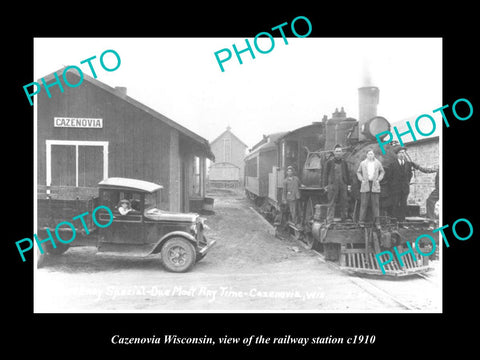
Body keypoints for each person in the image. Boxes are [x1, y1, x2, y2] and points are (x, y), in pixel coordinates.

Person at [356, 149, 385, 227]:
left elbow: (382, 171)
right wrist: (361, 179)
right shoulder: (362, 163)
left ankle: (377, 223)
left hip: (375, 184)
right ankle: (361, 222)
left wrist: (379, 179)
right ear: (366, 155)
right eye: (369, 154)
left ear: (374, 155)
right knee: (363, 204)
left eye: (371, 154)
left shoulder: (378, 163)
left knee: (375, 204)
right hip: (365, 184)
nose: (370, 155)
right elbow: (358, 172)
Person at [323, 144, 350, 222]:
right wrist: (325, 185)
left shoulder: (344, 162)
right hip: (332, 184)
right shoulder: (329, 162)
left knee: (344, 201)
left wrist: (348, 185)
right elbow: (325, 174)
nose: (338, 153)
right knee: (331, 202)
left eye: (340, 151)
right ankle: (329, 219)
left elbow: (347, 174)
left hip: (343, 184)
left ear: (342, 152)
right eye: (337, 151)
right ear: (334, 152)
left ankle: (344, 218)